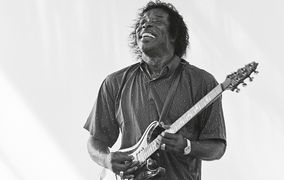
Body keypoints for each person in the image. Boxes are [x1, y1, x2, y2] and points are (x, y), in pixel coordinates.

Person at [84, 1, 226, 179]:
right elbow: (96, 140)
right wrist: (105, 160)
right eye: (141, 23)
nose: (145, 24)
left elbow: (217, 148)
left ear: (174, 35)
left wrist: (188, 146)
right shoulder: (114, 82)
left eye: (157, 21)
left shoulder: (203, 82)